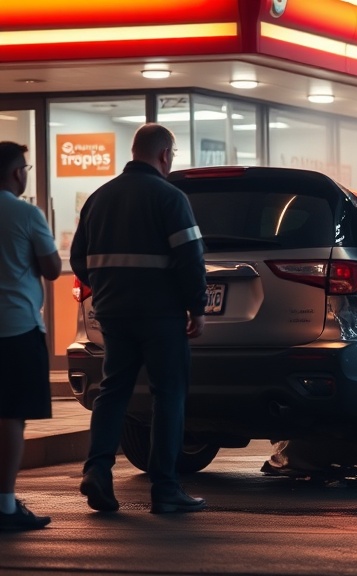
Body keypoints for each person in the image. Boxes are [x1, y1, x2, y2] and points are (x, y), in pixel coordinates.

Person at [70, 123, 208, 514]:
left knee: (113, 391)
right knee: (168, 395)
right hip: (161, 315)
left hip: (113, 313)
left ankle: (97, 470)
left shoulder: (99, 198)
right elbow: (190, 259)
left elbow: (78, 259)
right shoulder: (170, 197)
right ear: (164, 154)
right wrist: (196, 307)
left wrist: (107, 287)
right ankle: (165, 488)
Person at [0, 142, 61, 531]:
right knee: (10, 416)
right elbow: (53, 268)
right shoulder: (25, 213)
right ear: (16, 173)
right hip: (16, 328)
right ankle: (5, 506)